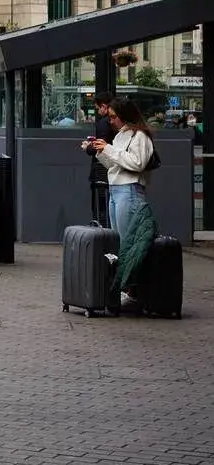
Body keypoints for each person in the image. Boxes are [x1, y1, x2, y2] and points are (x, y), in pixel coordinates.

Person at [85, 98, 157, 308]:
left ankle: (133, 290)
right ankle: (127, 288)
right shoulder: (120, 136)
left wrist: (109, 149)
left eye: (114, 116)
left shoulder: (139, 136)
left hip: (130, 189)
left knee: (128, 241)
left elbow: (137, 163)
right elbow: (114, 165)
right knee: (120, 241)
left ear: (125, 115)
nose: (111, 121)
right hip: (117, 189)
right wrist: (101, 151)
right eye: (110, 117)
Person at [88, 93, 119, 224]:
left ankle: (104, 233)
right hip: (113, 169)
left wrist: (89, 147)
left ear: (104, 106)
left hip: (102, 169)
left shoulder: (104, 123)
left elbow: (100, 147)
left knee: (101, 206)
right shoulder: (117, 123)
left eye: (98, 108)